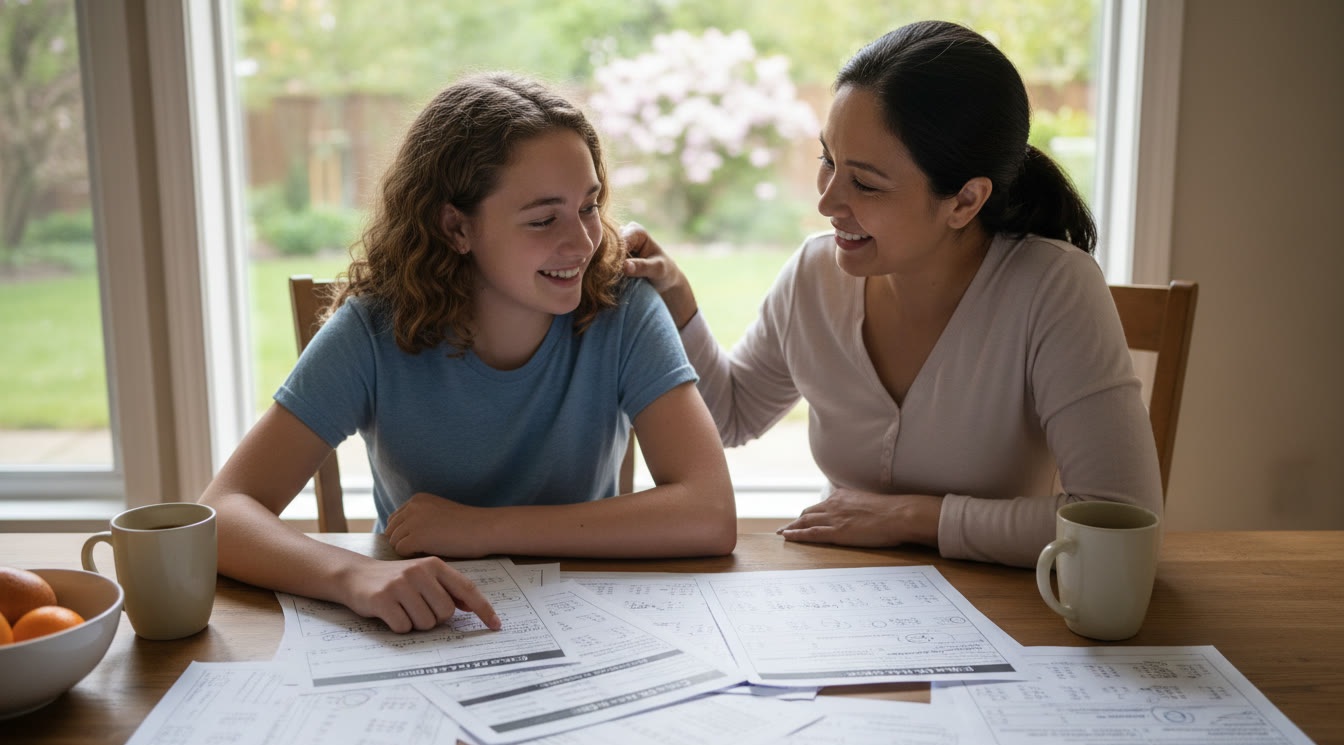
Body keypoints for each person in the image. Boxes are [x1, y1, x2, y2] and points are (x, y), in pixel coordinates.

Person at [201, 73, 735, 634]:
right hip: (423, 628)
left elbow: (709, 512)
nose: (583, 243)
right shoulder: (373, 331)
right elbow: (221, 515)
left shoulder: (624, 309)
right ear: (457, 227)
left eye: (588, 206)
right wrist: (353, 576)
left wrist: (484, 528)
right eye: (543, 218)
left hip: (584, 627)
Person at [623, 21, 1162, 568]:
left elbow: (1118, 514)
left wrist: (912, 518)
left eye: (866, 183)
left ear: (965, 201)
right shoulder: (814, 275)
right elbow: (731, 415)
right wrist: (677, 298)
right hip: (844, 597)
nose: (828, 202)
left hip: (1004, 608)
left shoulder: (1052, 287)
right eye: (828, 160)